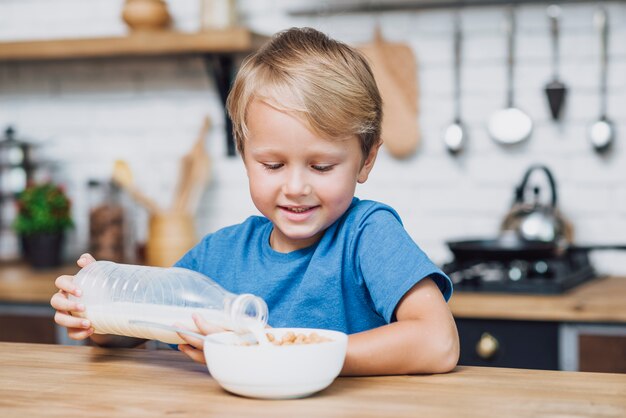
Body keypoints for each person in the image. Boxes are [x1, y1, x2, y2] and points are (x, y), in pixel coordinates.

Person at [51, 27, 459, 376]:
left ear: (366, 160)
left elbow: (437, 342)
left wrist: (291, 356)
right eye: (273, 164)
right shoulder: (221, 254)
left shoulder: (367, 236)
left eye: (321, 166)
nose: (296, 186)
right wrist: (99, 318)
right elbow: (145, 323)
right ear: (245, 156)